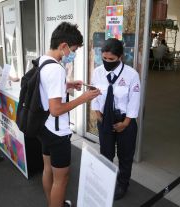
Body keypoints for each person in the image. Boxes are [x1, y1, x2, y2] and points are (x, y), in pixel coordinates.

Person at [37, 22, 100, 207]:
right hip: (57, 133)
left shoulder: (43, 60)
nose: (73, 54)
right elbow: (56, 109)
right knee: (61, 179)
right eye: (73, 50)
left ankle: (52, 203)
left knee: (48, 169)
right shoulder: (56, 69)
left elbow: (46, 89)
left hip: (43, 127)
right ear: (63, 46)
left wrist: (68, 85)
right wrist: (84, 98)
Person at [91, 38, 141, 200]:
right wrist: (98, 114)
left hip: (125, 120)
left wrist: (125, 123)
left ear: (120, 57)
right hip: (105, 119)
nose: (107, 61)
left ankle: (122, 184)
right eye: (104, 58)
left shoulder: (131, 74)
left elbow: (134, 100)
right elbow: (94, 95)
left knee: (125, 156)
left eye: (111, 59)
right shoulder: (97, 72)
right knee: (106, 153)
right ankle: (106, 181)